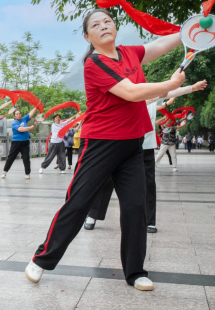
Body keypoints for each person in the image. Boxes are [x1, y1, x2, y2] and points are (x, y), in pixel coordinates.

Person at [25, 7, 187, 292]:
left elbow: (160, 45)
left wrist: (189, 30)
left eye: (108, 21)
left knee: (136, 208)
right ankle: (41, 260)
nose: (104, 26)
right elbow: (131, 92)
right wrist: (170, 85)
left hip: (133, 145)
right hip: (100, 144)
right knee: (77, 204)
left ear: (115, 27)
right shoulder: (94, 63)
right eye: (96, 25)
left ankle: (136, 272)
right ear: (88, 36)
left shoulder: (129, 53)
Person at [85, 83, 205, 233]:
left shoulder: (150, 97)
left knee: (148, 182)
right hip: (119, 144)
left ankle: (149, 220)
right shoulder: (125, 95)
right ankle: (93, 215)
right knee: (106, 180)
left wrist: (191, 88)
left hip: (145, 144)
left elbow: (167, 91)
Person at [2, 106, 39, 179]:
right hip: (16, 142)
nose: (18, 115)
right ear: (14, 116)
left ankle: (27, 173)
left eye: (19, 113)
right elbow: (20, 129)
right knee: (11, 157)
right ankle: (5, 171)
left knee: (26, 158)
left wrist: (36, 106)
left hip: (25, 142)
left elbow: (30, 114)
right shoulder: (14, 123)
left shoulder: (24, 119)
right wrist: (30, 128)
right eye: (17, 114)